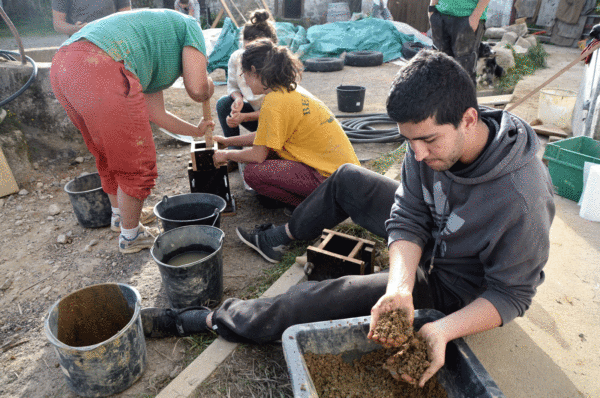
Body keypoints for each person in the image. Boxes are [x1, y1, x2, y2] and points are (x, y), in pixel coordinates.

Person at [141, 50, 555, 387]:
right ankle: (283, 236)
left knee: (320, 296)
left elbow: (511, 295)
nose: (418, 155)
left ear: (469, 118)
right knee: (347, 179)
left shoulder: (520, 197)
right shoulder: (422, 146)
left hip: (458, 283)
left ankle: (212, 318)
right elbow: (409, 214)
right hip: (432, 234)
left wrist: (443, 329)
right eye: (408, 141)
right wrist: (399, 287)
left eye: (428, 140)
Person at [51, 9, 215, 254]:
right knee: (135, 159)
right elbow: (198, 88)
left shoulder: (149, 46)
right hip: (101, 64)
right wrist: (208, 83)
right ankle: (131, 235)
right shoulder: (191, 26)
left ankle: (120, 218)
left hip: (65, 64)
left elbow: (157, 114)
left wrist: (196, 130)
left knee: (108, 151)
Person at [212, 39, 361, 208]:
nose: (244, 81)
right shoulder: (288, 89)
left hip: (330, 180)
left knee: (253, 173)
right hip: (346, 174)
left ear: (254, 71)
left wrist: (226, 155)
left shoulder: (274, 102)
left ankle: (315, 207)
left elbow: (257, 155)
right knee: (270, 155)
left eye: (243, 75)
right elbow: (266, 136)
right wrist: (227, 142)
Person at [215, 9, 277, 189]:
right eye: (245, 49)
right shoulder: (237, 58)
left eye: (252, 51)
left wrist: (244, 117)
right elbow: (233, 85)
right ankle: (235, 153)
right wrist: (238, 99)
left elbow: (274, 111)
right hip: (258, 116)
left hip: (275, 120)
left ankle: (253, 151)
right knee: (224, 103)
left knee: (262, 162)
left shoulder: (275, 65)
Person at [428, 0, 490, 84]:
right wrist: (432, 8)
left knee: (464, 73)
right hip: (440, 14)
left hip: (467, 17)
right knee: (438, 69)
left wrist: (475, 17)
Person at [51, 0, 132, 36]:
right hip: (80, 44)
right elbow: (58, 24)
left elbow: (126, 19)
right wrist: (76, 29)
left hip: (112, 44)